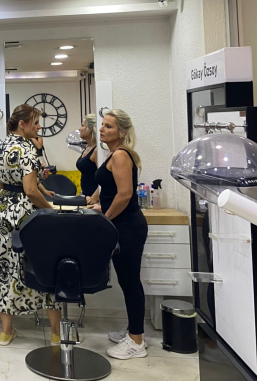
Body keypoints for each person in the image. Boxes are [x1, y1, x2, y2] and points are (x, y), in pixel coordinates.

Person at [0, 103, 62, 346]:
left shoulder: (0, 146)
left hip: (3, 211)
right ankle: (56, 333)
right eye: (35, 122)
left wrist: (38, 188)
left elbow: (0, 184)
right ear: (22, 124)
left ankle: (6, 332)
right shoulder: (27, 148)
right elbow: (29, 190)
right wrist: (49, 210)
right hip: (26, 216)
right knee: (43, 266)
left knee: (4, 266)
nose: (39, 127)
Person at [93, 109, 148, 360]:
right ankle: (132, 331)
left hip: (127, 226)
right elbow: (110, 188)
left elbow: (125, 194)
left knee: (130, 281)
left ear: (122, 132)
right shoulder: (113, 153)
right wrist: (98, 203)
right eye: (102, 125)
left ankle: (136, 342)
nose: (102, 129)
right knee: (127, 281)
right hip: (122, 223)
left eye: (109, 126)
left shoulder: (121, 155)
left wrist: (106, 218)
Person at [76, 114, 100, 203]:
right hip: (86, 196)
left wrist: (94, 198)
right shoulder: (88, 147)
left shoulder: (97, 150)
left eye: (82, 125)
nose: (79, 129)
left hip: (96, 200)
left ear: (90, 128)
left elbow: (104, 178)